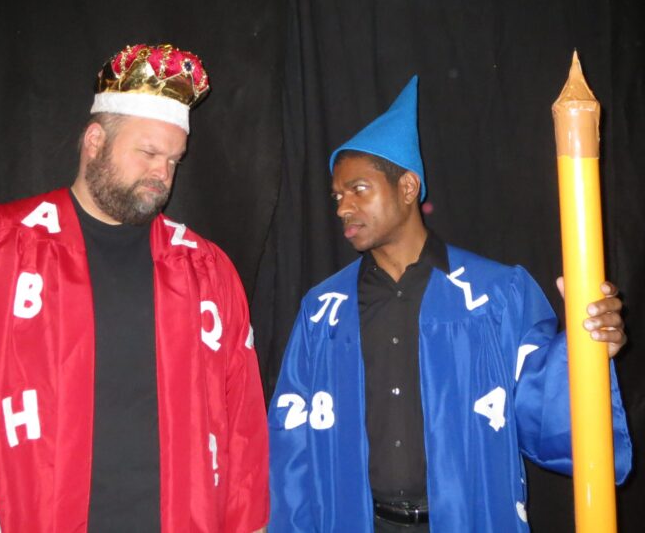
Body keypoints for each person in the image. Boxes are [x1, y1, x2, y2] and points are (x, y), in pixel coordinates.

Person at [0, 43, 269, 532]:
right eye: (148, 152)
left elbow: (243, 421)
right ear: (94, 141)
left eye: (174, 160)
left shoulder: (204, 269)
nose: (162, 176)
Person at [267, 76, 631, 532]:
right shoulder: (324, 310)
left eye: (359, 189)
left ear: (407, 187)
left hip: (467, 518)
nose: (342, 207)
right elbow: (292, 441)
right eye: (338, 195)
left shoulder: (495, 294)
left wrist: (587, 345)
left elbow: (544, 404)